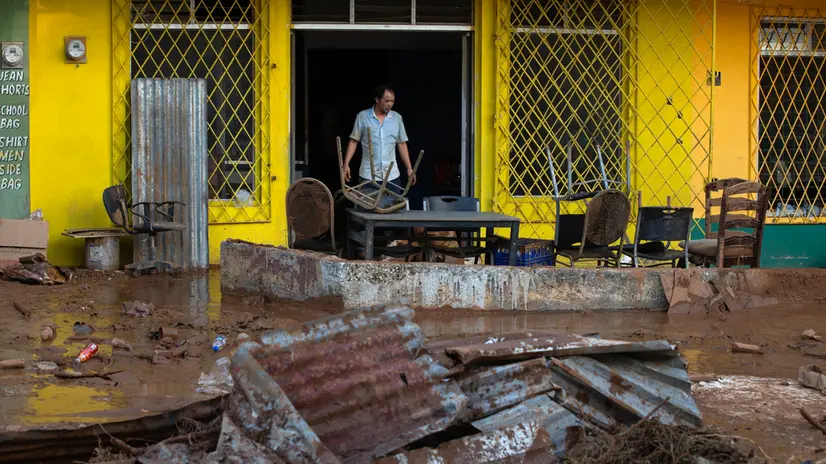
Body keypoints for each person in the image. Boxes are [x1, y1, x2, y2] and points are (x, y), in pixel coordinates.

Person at [343, 85, 416, 194]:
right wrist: (346, 163)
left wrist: (409, 168)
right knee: (367, 207)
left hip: (392, 175)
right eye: (387, 101)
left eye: (392, 101)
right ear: (377, 99)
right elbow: (354, 141)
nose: (390, 104)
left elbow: (401, 144)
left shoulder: (397, 118)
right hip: (368, 174)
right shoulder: (363, 116)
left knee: (393, 207)